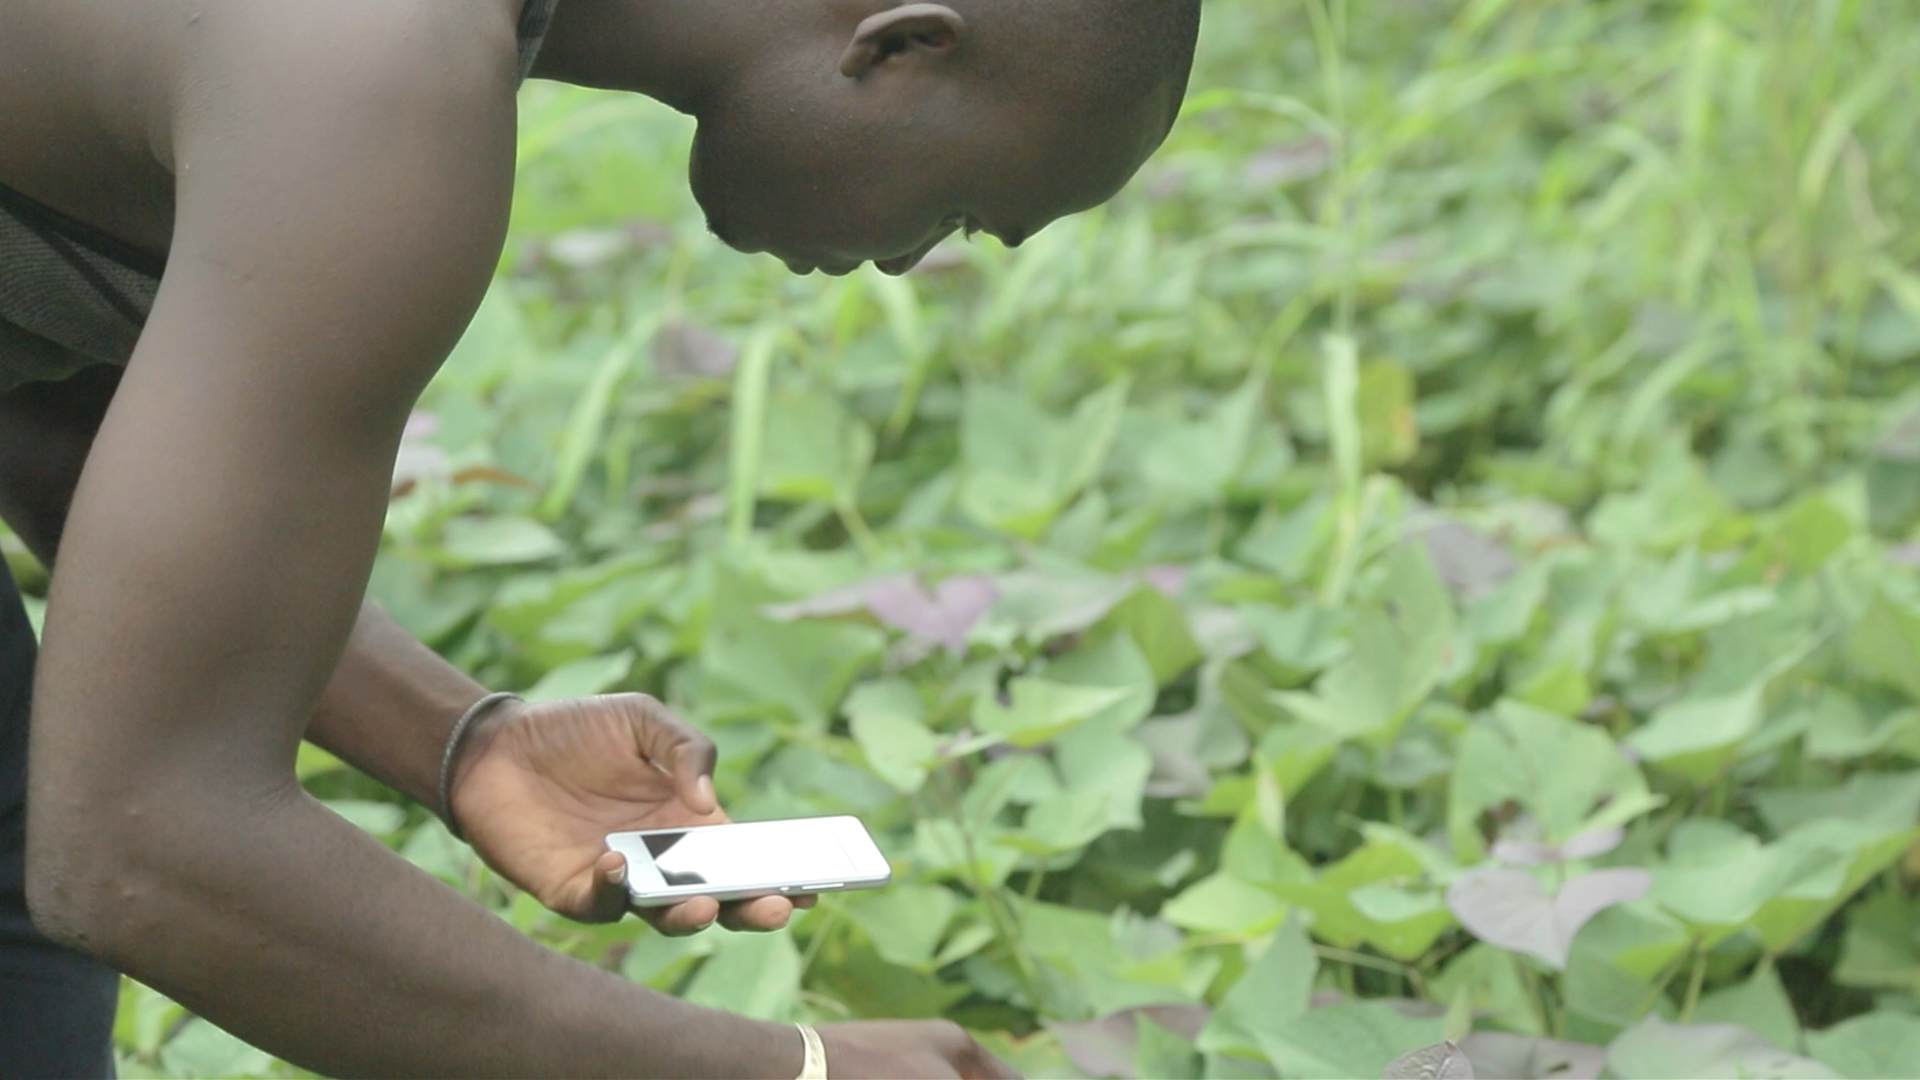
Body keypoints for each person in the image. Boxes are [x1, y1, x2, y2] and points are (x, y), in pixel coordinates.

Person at [0, 0, 1200, 1074]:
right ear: (899, 44)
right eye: (959, 212)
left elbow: (58, 423)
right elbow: (141, 851)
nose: (904, 262)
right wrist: (787, 1071)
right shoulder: (376, 75)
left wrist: (458, 741)